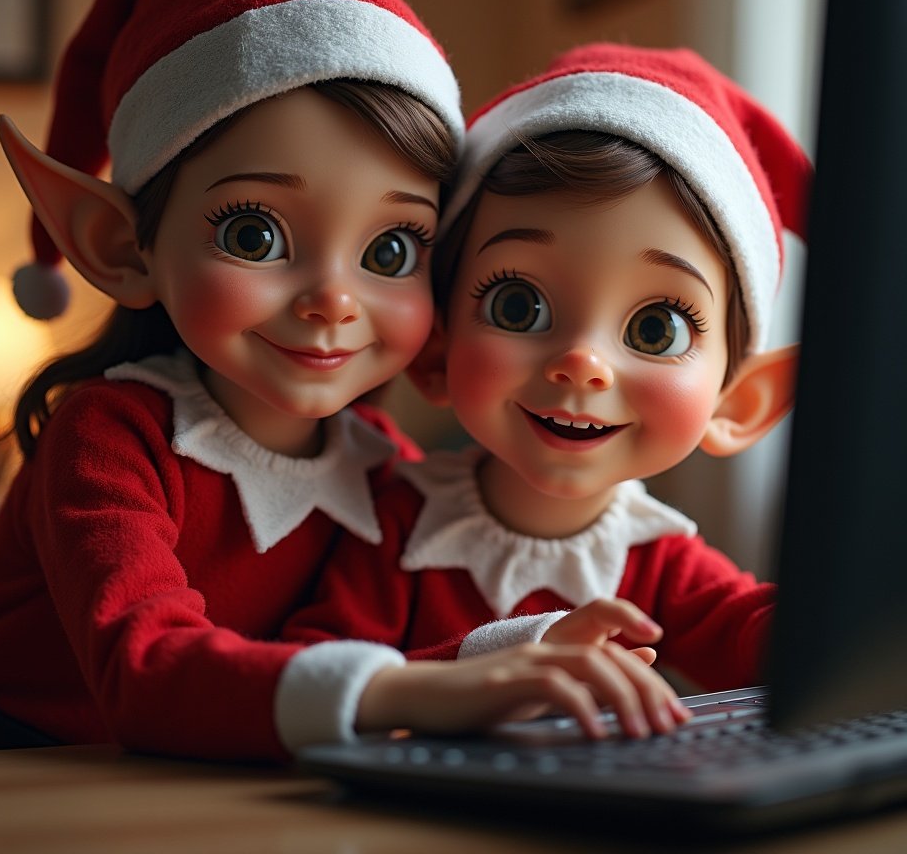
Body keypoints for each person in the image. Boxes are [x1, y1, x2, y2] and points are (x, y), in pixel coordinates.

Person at [0, 0, 673, 761]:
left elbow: (341, 665)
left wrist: (516, 651)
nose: (333, 301)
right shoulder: (109, 440)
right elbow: (147, 674)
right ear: (122, 245)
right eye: (254, 234)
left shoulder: (381, 469)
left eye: (393, 247)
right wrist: (438, 684)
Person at [281, 43, 812, 728]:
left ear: (740, 403)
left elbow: (772, 642)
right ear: (435, 349)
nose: (582, 362)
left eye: (657, 329)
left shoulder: (660, 562)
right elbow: (310, 676)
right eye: (517, 306)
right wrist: (476, 667)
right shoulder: (393, 524)